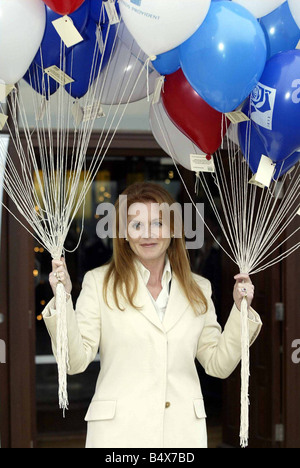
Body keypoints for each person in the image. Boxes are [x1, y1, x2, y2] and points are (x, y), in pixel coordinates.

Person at [42, 182, 262, 449]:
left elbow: (218, 364)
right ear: (124, 233)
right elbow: (74, 362)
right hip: (118, 436)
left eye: (157, 223)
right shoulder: (98, 283)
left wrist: (240, 310)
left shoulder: (199, 289)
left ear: (172, 229)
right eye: (136, 225)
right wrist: (62, 299)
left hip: (182, 435)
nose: (148, 234)